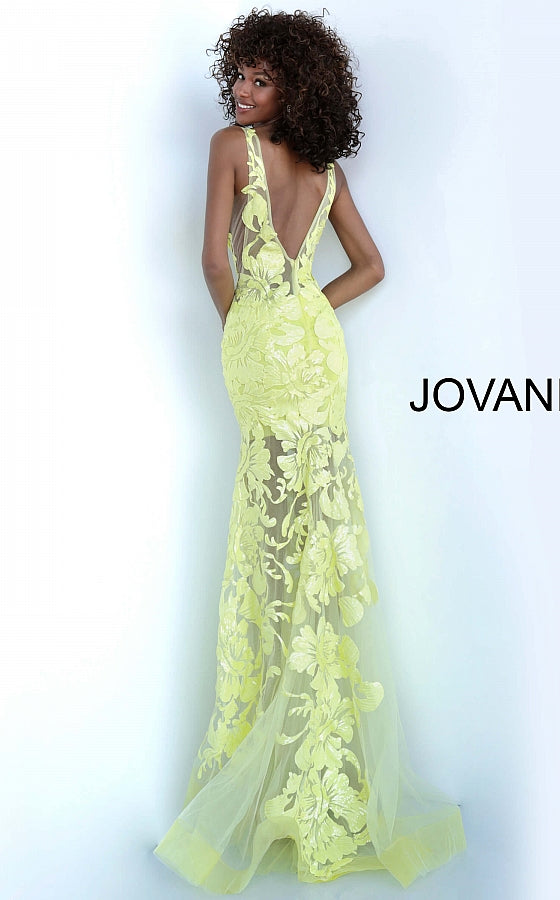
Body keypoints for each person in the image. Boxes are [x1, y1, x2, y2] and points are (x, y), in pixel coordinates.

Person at [154, 9, 467, 893]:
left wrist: (249, 329)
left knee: (270, 529)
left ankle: (275, 761)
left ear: (295, 85)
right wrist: (304, 312)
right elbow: (371, 266)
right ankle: (312, 758)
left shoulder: (229, 149)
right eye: (238, 78)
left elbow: (214, 264)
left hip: (259, 347)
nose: (240, 93)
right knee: (316, 526)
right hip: (316, 353)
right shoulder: (327, 170)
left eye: (259, 79)